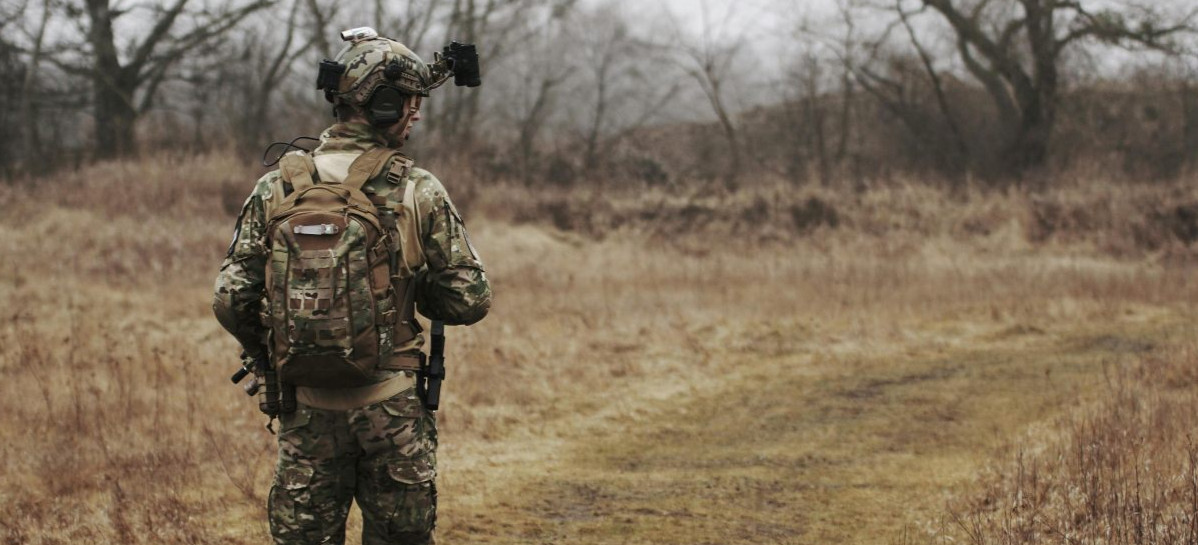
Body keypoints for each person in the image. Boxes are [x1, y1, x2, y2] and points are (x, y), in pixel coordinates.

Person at [213, 27, 491, 545]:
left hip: (306, 409)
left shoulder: (278, 185)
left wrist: (268, 357)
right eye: (411, 102)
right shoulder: (416, 187)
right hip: (392, 407)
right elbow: (470, 298)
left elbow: (230, 296)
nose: (417, 113)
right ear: (384, 104)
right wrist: (404, 289)